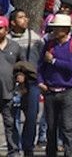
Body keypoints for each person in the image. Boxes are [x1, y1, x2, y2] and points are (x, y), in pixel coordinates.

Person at [37, 14, 72, 157]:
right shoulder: (49, 44)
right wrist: (40, 81)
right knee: (51, 128)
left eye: (57, 28)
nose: (54, 31)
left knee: (67, 126)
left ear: (66, 29)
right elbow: (40, 65)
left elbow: (71, 66)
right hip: (50, 91)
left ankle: (68, 153)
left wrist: (53, 61)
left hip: (68, 91)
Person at [9, 9, 41, 157]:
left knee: (32, 117)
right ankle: (14, 147)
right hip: (11, 84)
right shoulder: (6, 39)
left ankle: (28, 146)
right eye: (21, 17)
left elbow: (41, 59)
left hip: (32, 83)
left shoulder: (35, 38)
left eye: (26, 17)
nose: (25, 20)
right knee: (11, 118)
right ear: (13, 22)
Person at [0, 14, 24, 157]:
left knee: (10, 124)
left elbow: (22, 65)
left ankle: (13, 150)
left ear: (6, 30)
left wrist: (21, 76)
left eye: (1, 28)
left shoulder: (14, 46)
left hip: (8, 92)